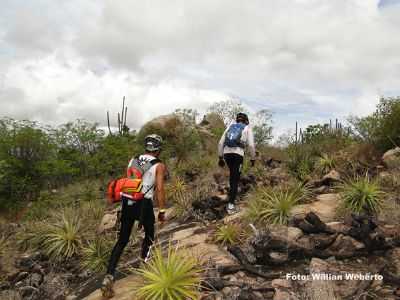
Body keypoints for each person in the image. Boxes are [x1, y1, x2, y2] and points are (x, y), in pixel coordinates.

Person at [102, 134, 167, 298]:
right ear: (158, 149)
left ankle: (109, 276)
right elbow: (159, 188)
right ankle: (144, 265)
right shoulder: (159, 165)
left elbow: (131, 182)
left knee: (122, 240)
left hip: (127, 202)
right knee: (150, 235)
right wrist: (162, 210)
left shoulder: (133, 159)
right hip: (144, 203)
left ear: (146, 146)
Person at [218, 113, 256, 215]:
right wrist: (253, 159)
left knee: (232, 177)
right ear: (246, 120)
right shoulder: (247, 128)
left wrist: (220, 157)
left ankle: (231, 198)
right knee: (235, 179)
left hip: (226, 154)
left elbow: (220, 143)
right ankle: (230, 206)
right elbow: (251, 146)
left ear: (237, 120)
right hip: (237, 155)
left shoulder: (230, 126)